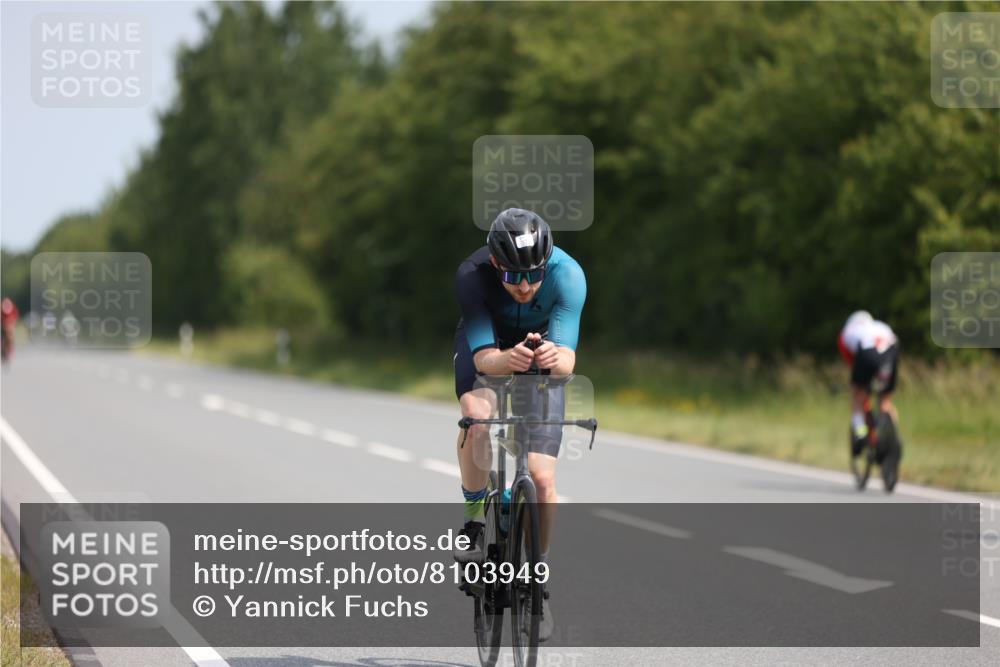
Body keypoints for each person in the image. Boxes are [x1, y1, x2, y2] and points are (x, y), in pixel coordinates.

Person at [453, 208, 586, 641]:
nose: (526, 286)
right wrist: (504, 362)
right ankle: (475, 519)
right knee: (477, 420)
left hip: (539, 352)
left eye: (534, 275)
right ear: (496, 264)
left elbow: (567, 362)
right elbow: (482, 359)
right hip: (489, 348)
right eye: (513, 277)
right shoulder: (472, 275)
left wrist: (554, 359)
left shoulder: (568, 276)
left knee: (544, 480)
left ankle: (537, 579)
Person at [837, 310, 900, 460]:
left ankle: (860, 432)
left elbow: (852, 362)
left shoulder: (847, 332)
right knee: (885, 401)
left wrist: (862, 385)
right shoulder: (881, 326)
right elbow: (895, 345)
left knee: (857, 394)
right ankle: (894, 438)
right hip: (891, 354)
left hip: (866, 354)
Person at [1, 297, 20, 363]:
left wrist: (11, 324)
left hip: (10, 325)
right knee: (3, 338)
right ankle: (3, 350)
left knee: (11, 338)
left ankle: (10, 350)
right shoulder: (2, 310)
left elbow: (16, 318)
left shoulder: (13, 309)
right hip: (4, 327)